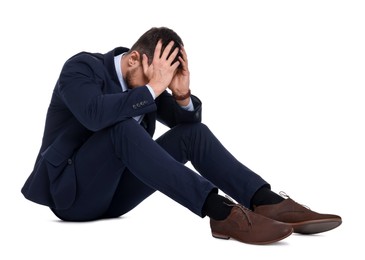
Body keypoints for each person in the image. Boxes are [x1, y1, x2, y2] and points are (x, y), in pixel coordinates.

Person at [21, 26, 341, 245]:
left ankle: (265, 201)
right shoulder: (82, 68)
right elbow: (94, 115)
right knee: (121, 126)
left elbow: (184, 124)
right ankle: (220, 211)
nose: (157, 87)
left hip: (115, 200)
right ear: (134, 59)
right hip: (71, 197)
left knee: (194, 133)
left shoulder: (145, 81)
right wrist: (153, 87)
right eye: (155, 78)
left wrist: (182, 94)